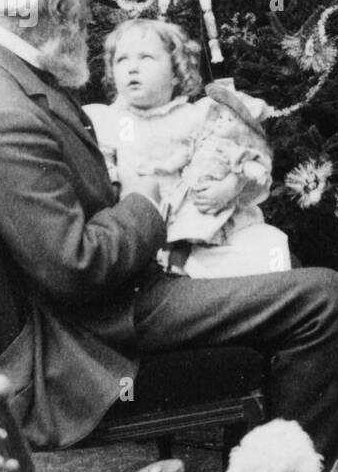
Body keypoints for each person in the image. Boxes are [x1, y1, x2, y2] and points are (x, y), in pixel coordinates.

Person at [0, 0, 338, 460]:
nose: (86, 23)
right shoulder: (3, 114)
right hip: (88, 328)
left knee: (281, 280)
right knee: (323, 297)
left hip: (88, 305)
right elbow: (72, 267)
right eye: (83, 8)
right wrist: (144, 202)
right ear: (57, 4)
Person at [84, 17, 291, 279]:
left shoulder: (199, 115)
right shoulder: (107, 121)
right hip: (149, 236)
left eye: (146, 58)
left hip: (210, 226)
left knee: (267, 246)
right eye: (122, 60)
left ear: (175, 73)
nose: (132, 68)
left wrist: (230, 186)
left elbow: (249, 157)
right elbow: (99, 179)